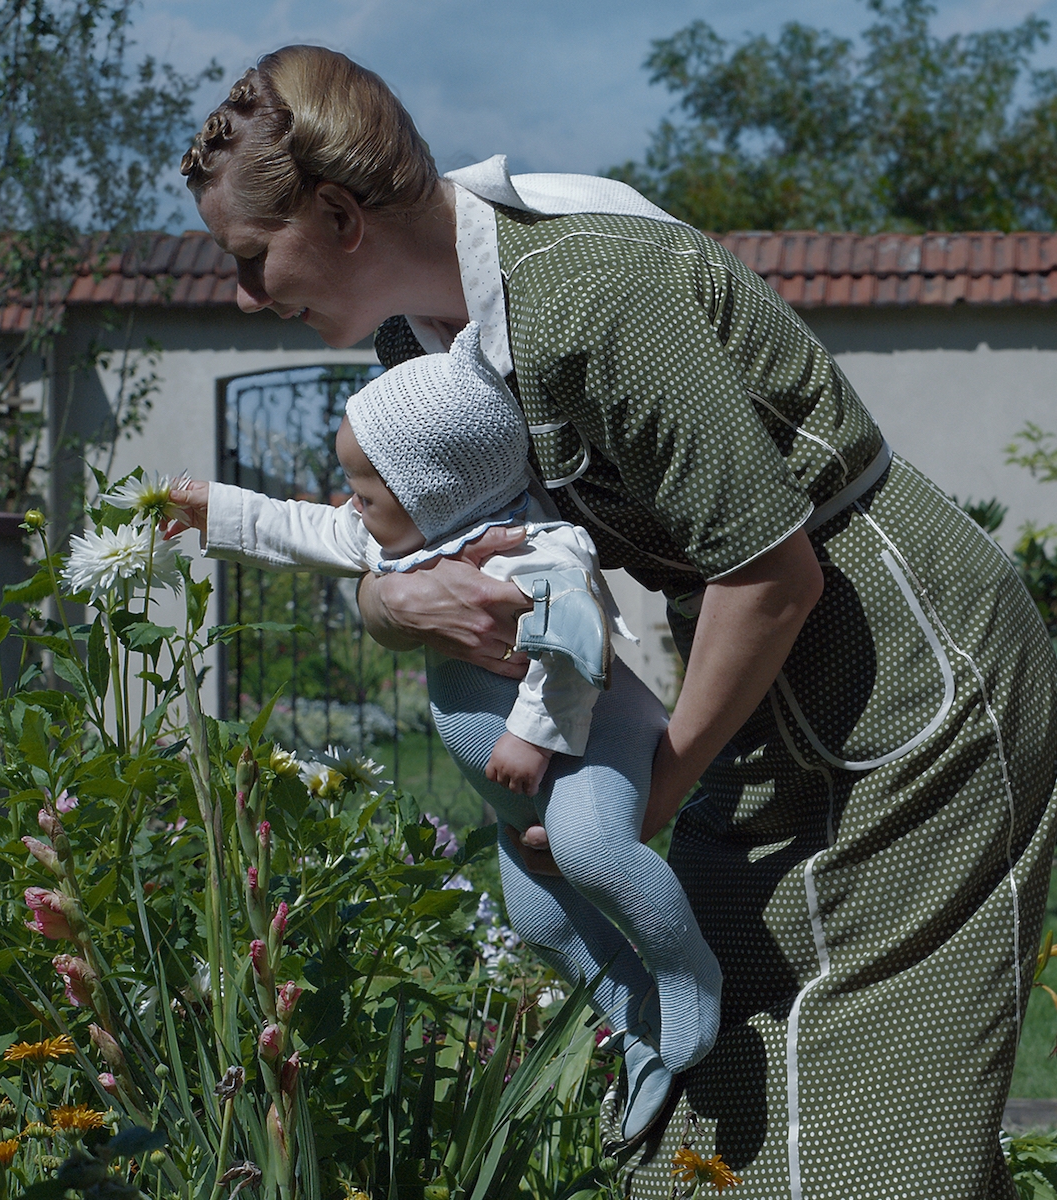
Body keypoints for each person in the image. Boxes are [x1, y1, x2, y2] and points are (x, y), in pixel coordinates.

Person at [170, 45, 1057, 1200]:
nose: (246, 295)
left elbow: (774, 579)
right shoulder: (419, 349)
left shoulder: (592, 296)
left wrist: (649, 797)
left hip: (904, 676)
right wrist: (395, 604)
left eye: (252, 258)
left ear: (339, 214)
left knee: (868, 1136)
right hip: (751, 692)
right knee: (713, 1110)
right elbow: (395, 554)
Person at [182, 324, 720, 1141]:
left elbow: (578, 644)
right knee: (539, 921)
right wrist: (210, 510)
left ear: (435, 490)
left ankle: (686, 976)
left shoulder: (539, 549)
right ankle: (631, 1012)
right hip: (517, 788)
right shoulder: (409, 543)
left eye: (367, 491)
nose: (350, 505)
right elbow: (299, 529)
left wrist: (532, 736)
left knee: (591, 851)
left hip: (587, 747)